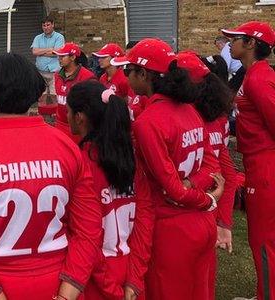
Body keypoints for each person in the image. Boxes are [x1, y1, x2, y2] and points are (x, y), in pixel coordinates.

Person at [0, 52, 102, 300]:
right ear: (35, 91)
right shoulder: (66, 145)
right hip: (58, 284)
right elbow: (89, 229)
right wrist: (69, 292)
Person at [111, 38, 225, 300]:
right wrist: (199, 189)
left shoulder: (148, 122)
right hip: (201, 224)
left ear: (144, 75)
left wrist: (203, 197)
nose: (126, 77)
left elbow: (172, 188)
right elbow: (210, 165)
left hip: (172, 228)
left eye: (129, 71)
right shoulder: (189, 109)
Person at [66, 81, 153, 300]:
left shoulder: (81, 165)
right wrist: (134, 279)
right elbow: (145, 220)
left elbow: (84, 234)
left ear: (80, 117)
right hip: (130, 270)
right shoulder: (131, 161)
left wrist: (110, 289)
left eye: (68, 110)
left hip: (93, 277)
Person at [177, 50, 237, 300]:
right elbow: (229, 175)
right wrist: (224, 222)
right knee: (203, 281)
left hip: (186, 210)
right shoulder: (218, 117)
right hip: (208, 209)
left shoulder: (187, 117)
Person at [222, 21, 275, 300]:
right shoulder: (252, 74)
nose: (230, 43)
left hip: (265, 164)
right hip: (257, 163)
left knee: (263, 240)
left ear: (251, 43)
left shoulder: (258, 78)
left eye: (235, 39)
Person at [53, 42, 96, 141]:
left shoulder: (87, 77)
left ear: (73, 58)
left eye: (63, 56)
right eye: (59, 56)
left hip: (78, 127)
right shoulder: (57, 75)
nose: (59, 58)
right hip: (60, 125)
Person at [92, 43, 147, 120]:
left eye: (104, 57)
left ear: (114, 58)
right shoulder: (102, 78)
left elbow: (129, 103)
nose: (99, 60)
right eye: (99, 57)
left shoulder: (125, 78)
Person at [31, 16, 65, 113]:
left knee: (55, 96)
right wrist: (50, 49)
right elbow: (34, 52)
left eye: (48, 25)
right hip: (40, 72)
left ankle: (56, 115)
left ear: (53, 24)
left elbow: (58, 52)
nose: (46, 27)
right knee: (41, 96)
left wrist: (42, 52)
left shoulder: (59, 37)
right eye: (44, 25)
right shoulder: (38, 38)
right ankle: (42, 115)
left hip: (55, 72)